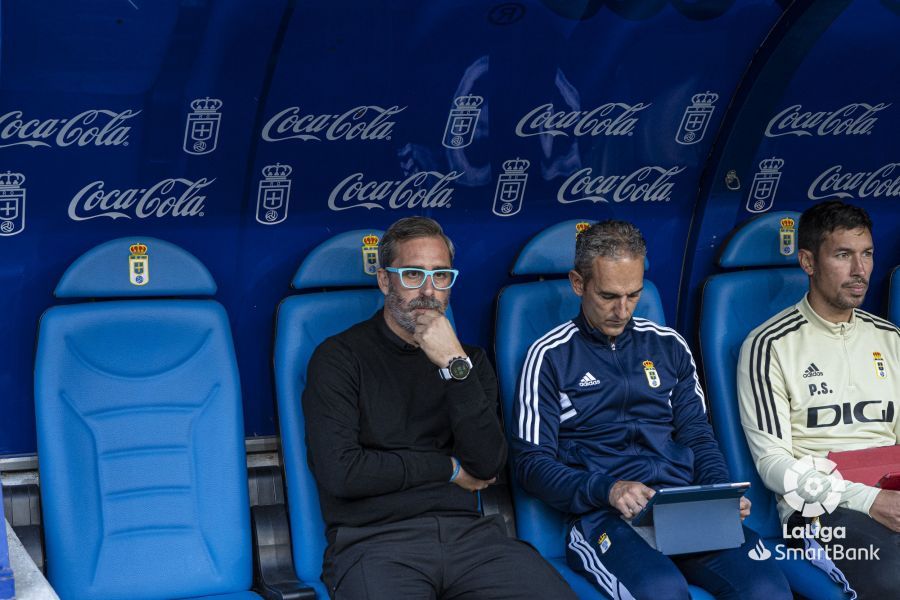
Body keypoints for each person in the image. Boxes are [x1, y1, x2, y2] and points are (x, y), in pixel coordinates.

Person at [512, 220, 791, 600]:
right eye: (608, 296)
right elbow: (531, 465)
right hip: (603, 516)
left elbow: (697, 436)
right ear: (578, 284)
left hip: (682, 507)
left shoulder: (668, 345)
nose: (622, 310)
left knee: (766, 588)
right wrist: (608, 489)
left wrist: (717, 496)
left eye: (634, 295)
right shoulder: (550, 356)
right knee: (661, 591)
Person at [303, 216, 576, 600]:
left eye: (441, 275)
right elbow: (342, 473)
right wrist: (448, 469)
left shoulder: (468, 361)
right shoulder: (339, 358)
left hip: (470, 538)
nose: (429, 291)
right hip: (375, 543)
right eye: (413, 274)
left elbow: (487, 464)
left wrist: (453, 365)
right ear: (385, 281)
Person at [738, 200, 900, 598]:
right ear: (808, 262)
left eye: (867, 254)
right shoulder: (769, 345)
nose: (860, 270)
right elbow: (774, 464)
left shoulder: (890, 339)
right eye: (843, 255)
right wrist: (869, 499)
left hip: (891, 492)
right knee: (892, 575)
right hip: (814, 510)